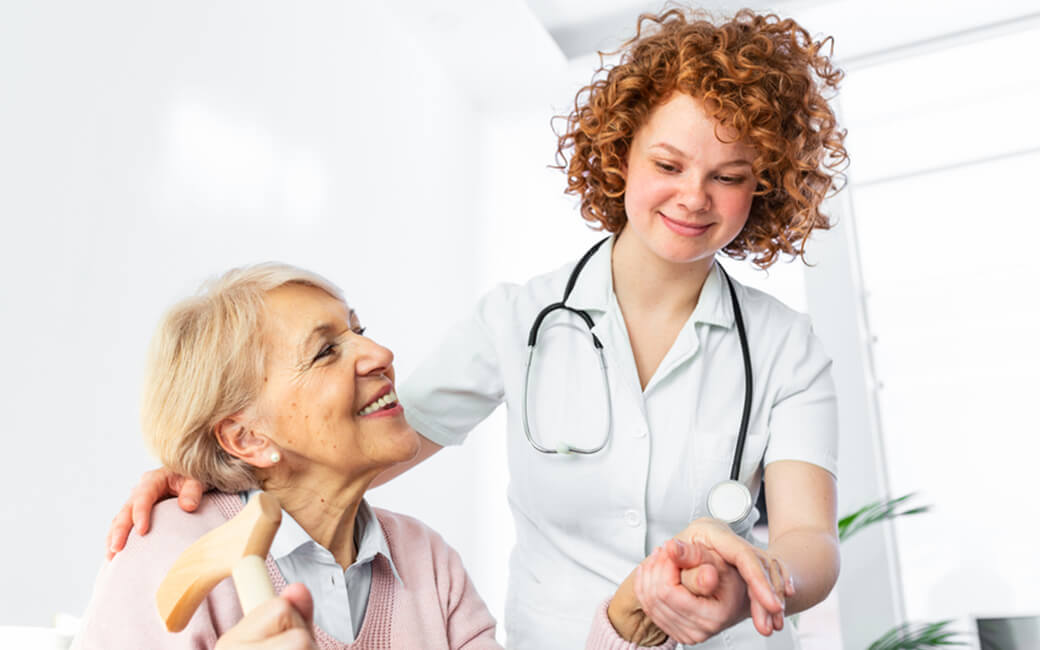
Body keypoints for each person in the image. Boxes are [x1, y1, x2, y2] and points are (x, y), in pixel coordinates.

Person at [107, 8, 847, 649]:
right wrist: (216, 474)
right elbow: (360, 438)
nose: (695, 196)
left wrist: (763, 575)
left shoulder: (785, 349)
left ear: (765, 185)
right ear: (622, 154)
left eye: (731, 175)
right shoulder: (518, 322)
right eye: (669, 162)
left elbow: (809, 540)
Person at [73, 263, 686, 649]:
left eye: (358, 331)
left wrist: (624, 626)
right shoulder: (166, 553)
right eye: (325, 352)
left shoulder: (427, 563)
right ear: (247, 438)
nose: (380, 352)